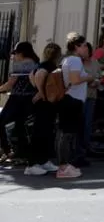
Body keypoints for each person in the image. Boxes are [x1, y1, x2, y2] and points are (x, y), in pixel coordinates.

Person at [56, 34, 90, 179]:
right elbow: (75, 80)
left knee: (66, 134)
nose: (86, 48)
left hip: (69, 99)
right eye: (83, 46)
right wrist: (89, 77)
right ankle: (63, 167)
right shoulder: (75, 60)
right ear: (76, 47)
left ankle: (65, 165)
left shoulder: (67, 60)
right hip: (72, 100)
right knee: (67, 134)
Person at [24, 43, 61, 176]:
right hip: (44, 104)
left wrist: (39, 90)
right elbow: (39, 75)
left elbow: (31, 76)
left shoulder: (43, 65)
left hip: (46, 104)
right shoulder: (47, 66)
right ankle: (32, 164)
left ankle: (43, 161)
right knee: (40, 133)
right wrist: (41, 92)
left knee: (45, 133)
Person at [0, 41, 39, 163]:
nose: (14, 56)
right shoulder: (35, 64)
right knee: (20, 125)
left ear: (22, 53)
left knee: (1, 121)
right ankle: (22, 152)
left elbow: (10, 84)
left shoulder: (21, 65)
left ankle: (7, 150)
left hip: (17, 99)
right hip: (29, 100)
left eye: (16, 53)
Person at [76, 41, 100, 166]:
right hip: (79, 97)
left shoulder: (95, 62)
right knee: (78, 125)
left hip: (91, 96)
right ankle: (77, 152)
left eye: (87, 48)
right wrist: (88, 80)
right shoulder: (76, 62)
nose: (85, 51)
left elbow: (98, 77)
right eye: (82, 48)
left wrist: (96, 82)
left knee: (87, 125)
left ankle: (84, 151)